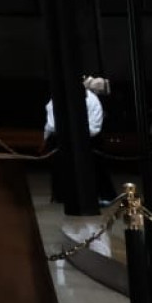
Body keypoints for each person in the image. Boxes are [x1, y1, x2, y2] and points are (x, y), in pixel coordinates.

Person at [46, 77, 116, 206]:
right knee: (60, 165)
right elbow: (52, 125)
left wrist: (76, 131)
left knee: (96, 165)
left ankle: (104, 195)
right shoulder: (56, 99)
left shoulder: (92, 101)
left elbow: (94, 128)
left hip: (88, 139)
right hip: (63, 137)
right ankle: (62, 195)